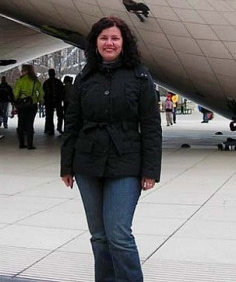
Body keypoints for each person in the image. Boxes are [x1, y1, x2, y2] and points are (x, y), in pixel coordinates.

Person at [60, 16, 162, 282]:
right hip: (87, 163)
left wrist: (150, 170)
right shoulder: (85, 78)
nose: (109, 43)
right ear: (95, 43)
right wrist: (66, 166)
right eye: (104, 38)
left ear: (123, 43)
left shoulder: (140, 77)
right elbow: (72, 124)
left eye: (115, 38)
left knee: (118, 234)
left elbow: (151, 126)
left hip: (126, 162)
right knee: (99, 236)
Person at [13, 65, 44, 149]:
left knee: (20, 124)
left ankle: (21, 143)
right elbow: (41, 93)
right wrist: (37, 99)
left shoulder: (20, 81)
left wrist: (16, 101)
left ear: (26, 71)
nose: (21, 72)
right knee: (30, 124)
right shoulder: (35, 81)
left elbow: (16, 94)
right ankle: (30, 144)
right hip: (32, 105)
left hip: (22, 105)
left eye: (23, 70)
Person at [43, 69, 64, 135]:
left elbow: (42, 92)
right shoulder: (58, 82)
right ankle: (59, 127)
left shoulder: (46, 83)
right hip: (58, 101)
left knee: (49, 116)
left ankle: (50, 129)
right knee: (60, 115)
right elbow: (63, 91)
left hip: (49, 102)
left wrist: (43, 99)